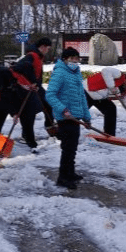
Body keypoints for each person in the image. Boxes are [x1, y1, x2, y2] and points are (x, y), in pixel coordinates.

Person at [45, 47, 92, 190]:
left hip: (75, 117)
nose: (75, 61)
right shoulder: (60, 73)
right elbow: (50, 95)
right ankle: (63, 177)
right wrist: (63, 109)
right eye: (72, 58)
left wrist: (87, 117)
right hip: (65, 117)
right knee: (67, 148)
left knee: (72, 148)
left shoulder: (76, 73)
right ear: (65, 59)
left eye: (77, 59)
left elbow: (82, 97)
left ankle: (70, 173)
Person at [0, 61, 40, 154]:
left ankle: (32, 144)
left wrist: (14, 114)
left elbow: (11, 98)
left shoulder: (16, 80)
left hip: (24, 99)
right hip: (3, 97)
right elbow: (3, 95)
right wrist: (14, 113)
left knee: (27, 122)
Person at [83, 67, 126, 135]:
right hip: (86, 91)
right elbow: (106, 70)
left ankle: (109, 134)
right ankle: (72, 131)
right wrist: (112, 86)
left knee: (111, 109)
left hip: (99, 98)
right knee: (78, 112)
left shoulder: (124, 90)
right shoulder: (118, 74)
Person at [16, 37, 55, 133]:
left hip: (37, 87)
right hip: (29, 87)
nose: (48, 51)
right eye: (48, 48)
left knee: (49, 104)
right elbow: (23, 67)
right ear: (43, 47)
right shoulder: (32, 55)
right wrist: (32, 82)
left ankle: (50, 126)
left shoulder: (39, 56)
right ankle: (27, 134)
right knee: (30, 111)